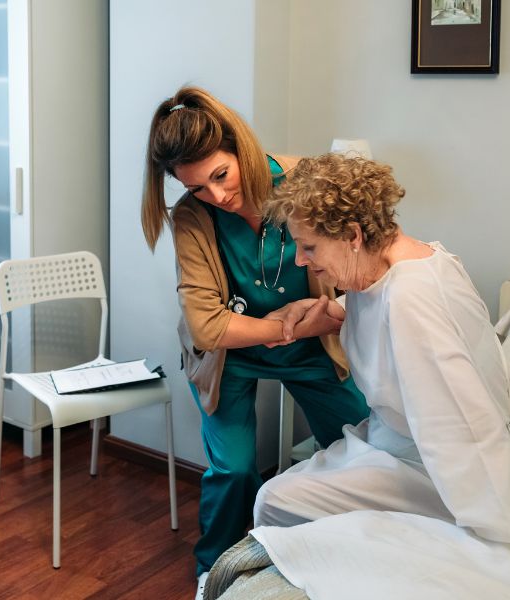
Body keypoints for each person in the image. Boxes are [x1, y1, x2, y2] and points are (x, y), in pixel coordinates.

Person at [141, 87, 370, 593]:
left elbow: (361, 269)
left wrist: (315, 323)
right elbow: (208, 328)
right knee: (235, 468)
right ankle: (212, 569)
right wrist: (293, 325)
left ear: (239, 146)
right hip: (231, 359)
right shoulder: (192, 219)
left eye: (220, 175)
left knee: (361, 442)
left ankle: (355, 543)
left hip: (311, 350)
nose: (216, 196)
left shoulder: (307, 182)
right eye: (197, 187)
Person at [253, 153, 510, 544]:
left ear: (352, 235)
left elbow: (458, 422)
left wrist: (491, 523)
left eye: (308, 247)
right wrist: (325, 311)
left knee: (275, 499)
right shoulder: (397, 263)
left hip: (438, 466)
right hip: (394, 442)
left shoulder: (411, 299)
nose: (300, 260)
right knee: (283, 496)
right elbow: (378, 317)